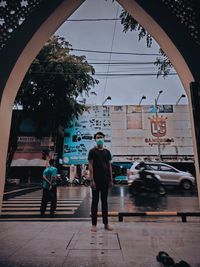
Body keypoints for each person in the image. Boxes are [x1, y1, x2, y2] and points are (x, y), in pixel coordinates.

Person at [88, 131, 113, 232]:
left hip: (105, 180)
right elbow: (90, 166)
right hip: (96, 181)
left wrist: (111, 179)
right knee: (95, 202)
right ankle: (94, 225)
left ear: (104, 138)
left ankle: (106, 224)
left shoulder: (107, 152)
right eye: (98, 137)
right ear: (95, 139)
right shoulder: (92, 151)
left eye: (101, 137)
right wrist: (92, 180)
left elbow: (109, 166)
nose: (99, 139)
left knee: (104, 202)